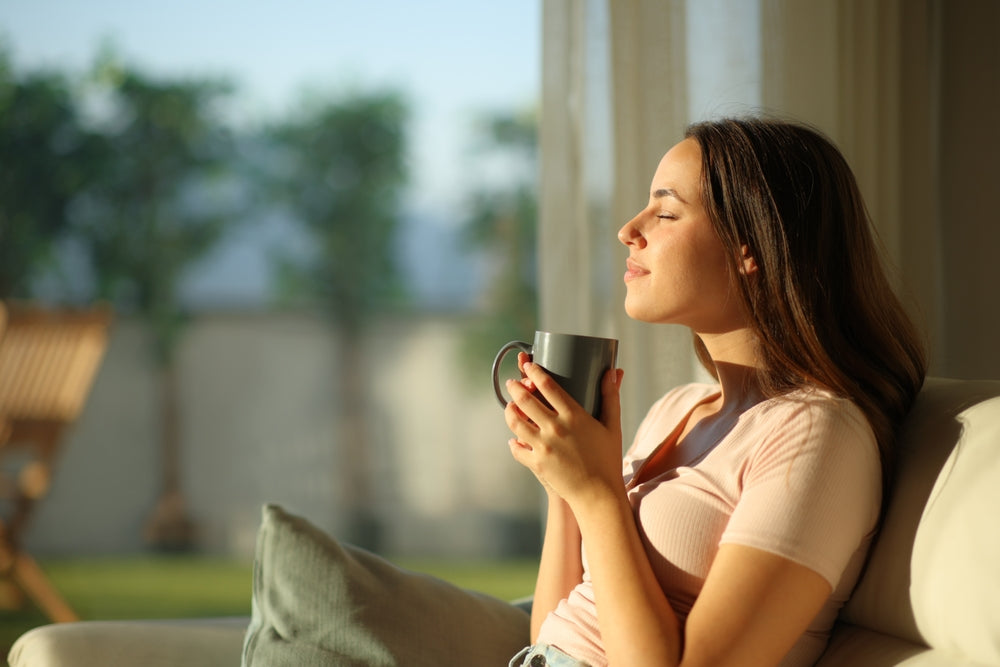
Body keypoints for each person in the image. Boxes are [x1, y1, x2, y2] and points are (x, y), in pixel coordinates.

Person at [503, 117, 926, 667]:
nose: (629, 229)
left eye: (666, 211)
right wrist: (563, 478)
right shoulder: (676, 410)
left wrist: (597, 493)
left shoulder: (818, 433)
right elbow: (557, 635)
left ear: (751, 248)